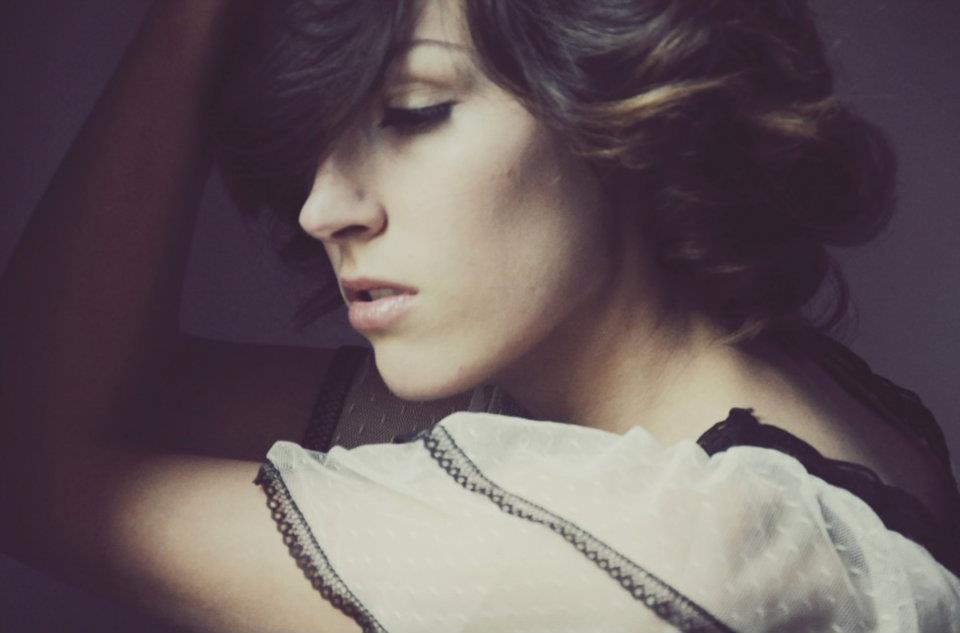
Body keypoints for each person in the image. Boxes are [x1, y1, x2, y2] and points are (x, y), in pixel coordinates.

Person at [1, 0, 958, 631]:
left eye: (414, 110)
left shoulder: (661, 553)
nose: (322, 207)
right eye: (316, 139)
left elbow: (25, 464)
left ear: (615, 99)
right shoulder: (817, 419)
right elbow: (110, 391)